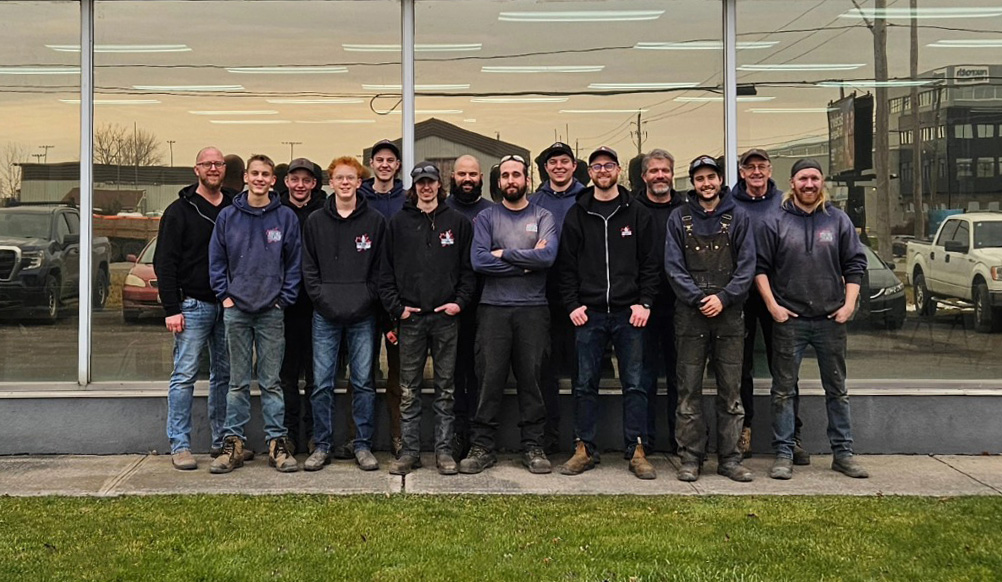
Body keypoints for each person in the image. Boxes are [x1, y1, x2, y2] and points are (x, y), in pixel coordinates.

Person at [755, 159, 869, 480]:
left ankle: (843, 453)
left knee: (837, 388)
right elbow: (759, 268)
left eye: (814, 178)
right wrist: (773, 306)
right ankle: (783, 452)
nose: (809, 184)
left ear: (822, 182)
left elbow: (855, 265)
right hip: (789, 320)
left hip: (831, 319)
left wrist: (849, 305)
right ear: (792, 182)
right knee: (783, 390)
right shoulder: (775, 220)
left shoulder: (838, 220)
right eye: (803, 178)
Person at [557, 146, 660, 480]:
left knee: (635, 383)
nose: (603, 170)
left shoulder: (637, 212)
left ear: (618, 170)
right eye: (597, 166)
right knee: (585, 384)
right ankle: (584, 448)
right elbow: (566, 267)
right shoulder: (578, 214)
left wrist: (645, 303)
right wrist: (572, 305)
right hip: (589, 314)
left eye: (609, 165)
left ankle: (637, 449)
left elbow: (650, 264)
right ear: (589, 173)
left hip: (630, 314)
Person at [460, 154, 557, 475]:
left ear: (527, 179)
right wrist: (526, 261)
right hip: (493, 311)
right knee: (488, 380)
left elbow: (548, 257)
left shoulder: (543, 215)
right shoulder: (487, 218)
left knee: (533, 380)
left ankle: (534, 446)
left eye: (517, 175)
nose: (511, 180)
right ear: (498, 182)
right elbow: (479, 261)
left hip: (533, 311)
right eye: (505, 176)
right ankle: (482, 446)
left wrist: (505, 254)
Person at [208, 154, 302, 474]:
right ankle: (233, 444)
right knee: (237, 382)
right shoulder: (228, 217)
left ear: (273, 181)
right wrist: (226, 297)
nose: (260, 178)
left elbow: (294, 264)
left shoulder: (285, 218)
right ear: (246, 177)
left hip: (271, 312)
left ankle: (277, 443)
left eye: (266, 174)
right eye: (255, 173)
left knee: (271, 382)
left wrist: (282, 300)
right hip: (237, 312)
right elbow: (217, 262)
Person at [380, 162, 475, 475]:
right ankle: (409, 452)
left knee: (446, 390)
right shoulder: (397, 223)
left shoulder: (458, 223)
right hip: (411, 319)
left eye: (430, 182)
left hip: (446, 318)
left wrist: (458, 303)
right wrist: (398, 309)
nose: (426, 187)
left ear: (439, 185)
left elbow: (467, 271)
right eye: (420, 182)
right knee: (409, 390)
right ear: (413, 186)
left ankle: (444, 452)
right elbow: (386, 273)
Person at [665, 155, 756, 483]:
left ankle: (730, 459)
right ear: (693, 183)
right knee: (688, 390)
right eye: (700, 178)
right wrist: (699, 298)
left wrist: (724, 298)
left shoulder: (739, 217)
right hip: (690, 317)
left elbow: (748, 267)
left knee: (730, 391)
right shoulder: (679, 219)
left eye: (711, 177)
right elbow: (673, 267)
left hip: (729, 316)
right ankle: (690, 457)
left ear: (720, 180)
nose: (706, 183)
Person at [301, 156, 387, 472]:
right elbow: (308, 269)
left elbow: (381, 270)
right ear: (331, 182)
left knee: (363, 381)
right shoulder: (315, 222)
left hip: (363, 315)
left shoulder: (375, 221)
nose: (346, 183)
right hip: (325, 315)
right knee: (322, 382)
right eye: (340, 178)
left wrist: (366, 300)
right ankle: (322, 445)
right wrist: (323, 300)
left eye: (351, 178)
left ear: (360, 182)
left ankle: (362, 445)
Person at [155, 147, 236, 471]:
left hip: (229, 306)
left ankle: (221, 442)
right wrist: (171, 308)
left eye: (219, 163)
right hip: (193, 305)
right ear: (196, 169)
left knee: (225, 376)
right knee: (184, 375)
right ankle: (180, 444)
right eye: (208, 164)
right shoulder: (179, 211)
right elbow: (165, 262)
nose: (214, 168)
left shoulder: (235, 206)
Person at [732, 148, 807, 464]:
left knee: (785, 369)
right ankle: (743, 430)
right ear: (741, 172)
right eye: (750, 167)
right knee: (739, 367)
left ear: (770, 169)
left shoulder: (786, 204)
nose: (756, 171)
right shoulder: (729, 204)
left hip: (781, 297)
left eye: (761, 166)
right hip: (740, 296)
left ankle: (791, 436)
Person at [348, 138, 406, 459]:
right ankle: (357, 439)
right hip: (364, 299)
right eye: (379, 160)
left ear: (397, 166)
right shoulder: (359, 198)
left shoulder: (407, 200)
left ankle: (399, 436)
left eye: (390, 160)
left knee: (398, 375)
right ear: (372, 164)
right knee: (361, 374)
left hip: (397, 300)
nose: (385, 164)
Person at [530, 142, 587, 454]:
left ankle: (583, 438)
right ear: (546, 168)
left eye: (565, 161)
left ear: (573, 165)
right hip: (544, 295)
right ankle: (548, 436)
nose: (559, 166)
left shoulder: (587, 198)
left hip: (582, 296)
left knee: (584, 370)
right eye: (553, 162)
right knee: (545, 370)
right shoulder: (535, 202)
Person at [634, 148, 684, 454]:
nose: (660, 176)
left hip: (681, 305)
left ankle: (681, 442)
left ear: (672, 174)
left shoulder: (686, 209)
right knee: (644, 377)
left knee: (682, 378)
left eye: (665, 170)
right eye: (654, 171)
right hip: (642, 307)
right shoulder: (632, 209)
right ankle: (645, 441)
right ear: (644, 177)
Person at [444, 154, 494, 460]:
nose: (467, 179)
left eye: (472, 174)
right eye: (461, 173)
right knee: (452, 375)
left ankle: (480, 437)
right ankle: (455, 435)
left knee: (480, 373)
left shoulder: (492, 212)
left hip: (486, 305)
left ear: (481, 177)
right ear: (452, 176)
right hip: (449, 307)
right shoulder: (442, 211)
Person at [279, 158, 326, 455]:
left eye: (306, 180)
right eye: (294, 179)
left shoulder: (324, 212)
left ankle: (313, 434)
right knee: (285, 376)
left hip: (317, 306)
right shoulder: (275, 212)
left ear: (314, 184)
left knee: (316, 376)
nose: (300, 185)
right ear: (286, 182)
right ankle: (287, 434)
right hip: (283, 305)